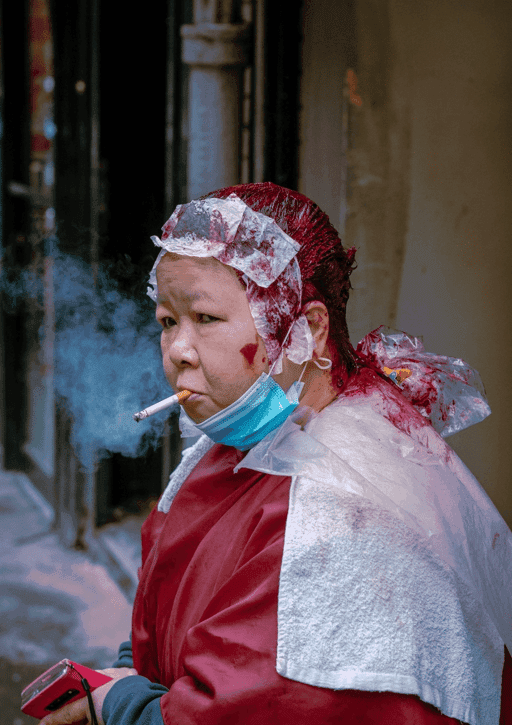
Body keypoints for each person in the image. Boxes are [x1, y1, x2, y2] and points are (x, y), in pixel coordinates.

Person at [39, 183, 512, 725]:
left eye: (206, 319)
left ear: (305, 331)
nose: (178, 351)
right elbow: (163, 598)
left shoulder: (342, 515)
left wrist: (116, 704)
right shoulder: (233, 443)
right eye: (167, 322)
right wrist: (128, 672)